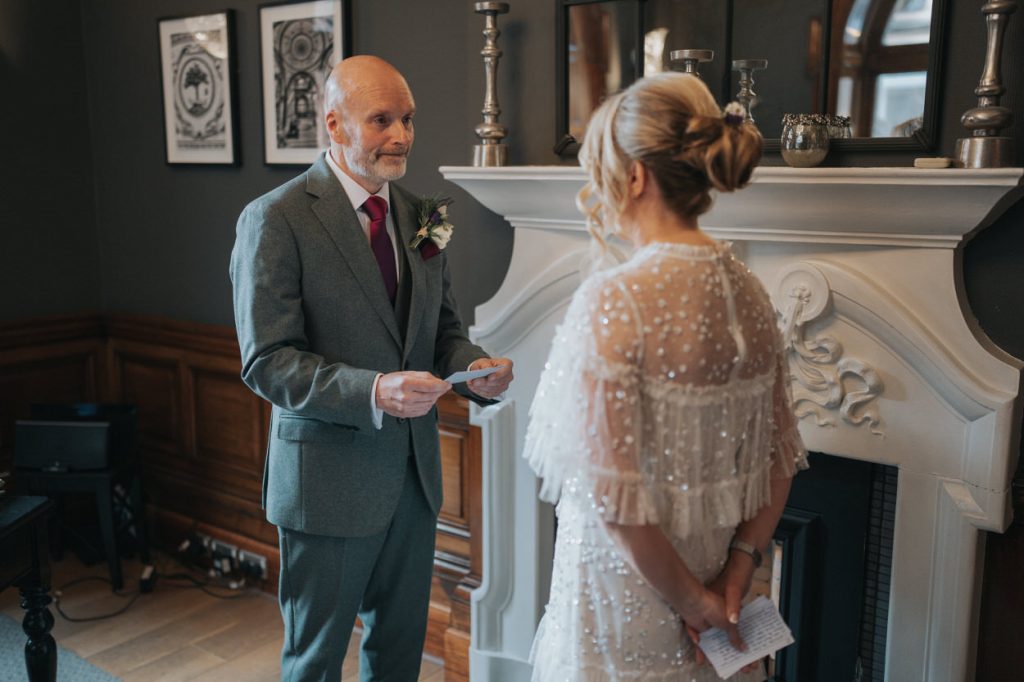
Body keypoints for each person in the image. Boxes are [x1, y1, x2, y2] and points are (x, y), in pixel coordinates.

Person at [230, 55, 513, 681]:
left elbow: (441, 332)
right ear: (334, 124)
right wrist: (375, 391)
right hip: (325, 486)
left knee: (399, 654)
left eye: (408, 119)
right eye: (382, 120)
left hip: (414, 480)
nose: (402, 135)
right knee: (315, 661)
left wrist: (475, 367)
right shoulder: (275, 219)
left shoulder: (424, 215)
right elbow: (267, 361)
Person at [522, 72, 808, 680]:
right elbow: (780, 461)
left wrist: (695, 604)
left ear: (634, 177)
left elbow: (613, 500)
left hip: (619, 604)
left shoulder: (614, 300)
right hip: (713, 584)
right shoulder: (752, 295)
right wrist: (737, 571)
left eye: (602, 170)